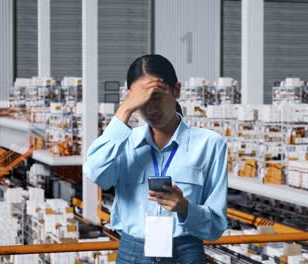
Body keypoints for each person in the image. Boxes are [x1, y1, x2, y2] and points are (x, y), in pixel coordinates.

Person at [83, 54, 228, 263]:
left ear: (176, 90)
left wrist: (185, 208)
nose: (150, 109)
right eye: (141, 100)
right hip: (132, 253)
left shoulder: (210, 145)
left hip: (185, 253)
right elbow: (96, 173)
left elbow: (215, 226)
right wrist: (125, 110)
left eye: (157, 97)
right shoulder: (123, 143)